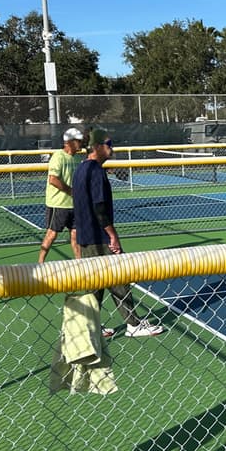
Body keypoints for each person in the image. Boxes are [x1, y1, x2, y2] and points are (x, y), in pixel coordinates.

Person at [72, 129, 165, 338]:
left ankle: (89, 326)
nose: (111, 148)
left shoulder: (80, 170)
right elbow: (99, 208)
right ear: (96, 147)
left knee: (94, 285)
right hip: (99, 237)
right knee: (119, 278)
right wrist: (112, 235)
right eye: (108, 143)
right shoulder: (94, 171)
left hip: (87, 237)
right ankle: (132, 325)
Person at [38, 127, 86, 263]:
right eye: (78, 141)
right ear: (69, 142)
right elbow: (53, 179)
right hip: (58, 204)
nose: (81, 143)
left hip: (74, 204)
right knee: (52, 234)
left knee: (75, 234)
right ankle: (40, 262)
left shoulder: (77, 158)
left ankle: (79, 262)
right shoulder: (58, 157)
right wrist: (71, 191)